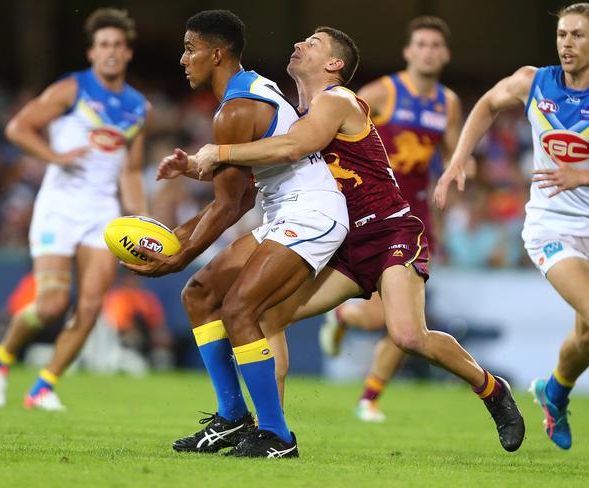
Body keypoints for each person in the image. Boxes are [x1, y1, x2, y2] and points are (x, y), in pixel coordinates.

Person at [193, 25, 525, 453]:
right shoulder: (299, 111)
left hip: (388, 230)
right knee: (263, 318)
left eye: (311, 44)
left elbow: (296, 147)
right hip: (342, 242)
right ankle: (271, 433)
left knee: (408, 335)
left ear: (334, 64)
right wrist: (194, 165)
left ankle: (492, 390)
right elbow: (271, 166)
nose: (297, 44)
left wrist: (218, 152)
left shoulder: (337, 100)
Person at [125, 10, 349, 458]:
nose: (184, 59)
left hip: (313, 213)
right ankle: (231, 418)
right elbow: (242, 197)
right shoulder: (247, 90)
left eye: (191, 49)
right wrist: (177, 238)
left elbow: (229, 206)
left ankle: (277, 436)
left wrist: (176, 255)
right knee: (200, 295)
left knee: (241, 308)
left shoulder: (235, 110)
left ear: (217, 53)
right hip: (281, 211)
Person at [434, 2, 589, 450]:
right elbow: (486, 104)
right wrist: (460, 156)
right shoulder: (532, 82)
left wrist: (582, 175)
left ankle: (554, 392)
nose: (567, 44)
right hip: (551, 227)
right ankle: (555, 394)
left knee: (584, 335)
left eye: (578, 35)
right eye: (562, 35)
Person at [0, 8, 150, 411]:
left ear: (127, 53)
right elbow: (18, 127)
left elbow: (130, 169)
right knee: (53, 303)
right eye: (103, 45)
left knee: (91, 305)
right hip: (59, 206)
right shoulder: (72, 89)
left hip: (102, 213)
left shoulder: (138, 108)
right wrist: (54, 156)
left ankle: (43, 387)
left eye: (117, 45)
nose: (110, 52)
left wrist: (138, 219)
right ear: (92, 53)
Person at [318, 16, 465, 423]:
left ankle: (369, 398)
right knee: (379, 316)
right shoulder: (382, 92)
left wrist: (456, 175)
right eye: (421, 44)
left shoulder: (448, 103)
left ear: (446, 54)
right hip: (371, 212)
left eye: (436, 45)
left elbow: (454, 154)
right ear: (408, 51)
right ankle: (344, 315)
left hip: (415, 219)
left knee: (407, 323)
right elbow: (336, 119)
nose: (429, 51)